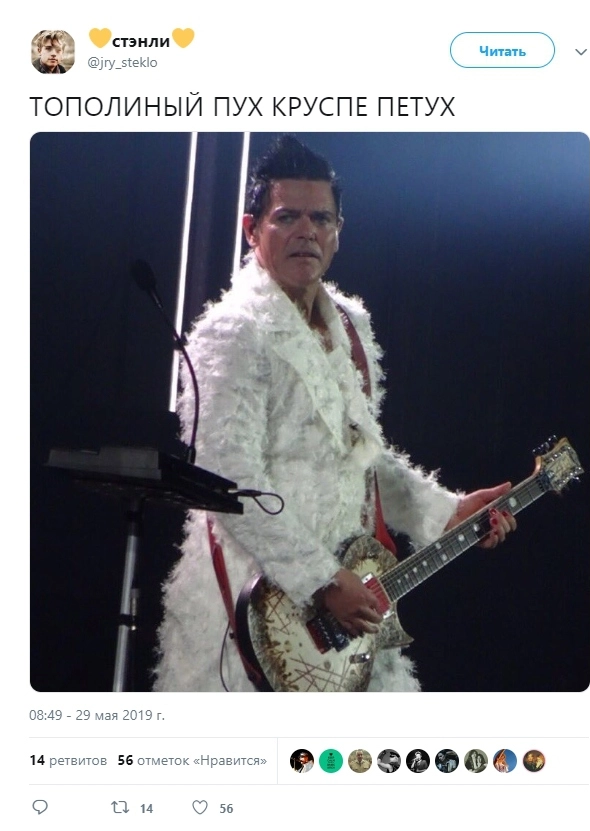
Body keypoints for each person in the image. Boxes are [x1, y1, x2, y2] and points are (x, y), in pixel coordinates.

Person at [153, 136, 516, 693]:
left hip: (351, 608)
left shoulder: (350, 324)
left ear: (338, 231)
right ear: (252, 229)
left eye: (320, 218)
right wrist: (321, 579)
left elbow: (362, 456)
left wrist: (447, 511)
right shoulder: (232, 332)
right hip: (255, 611)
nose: (306, 231)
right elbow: (227, 482)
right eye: (287, 217)